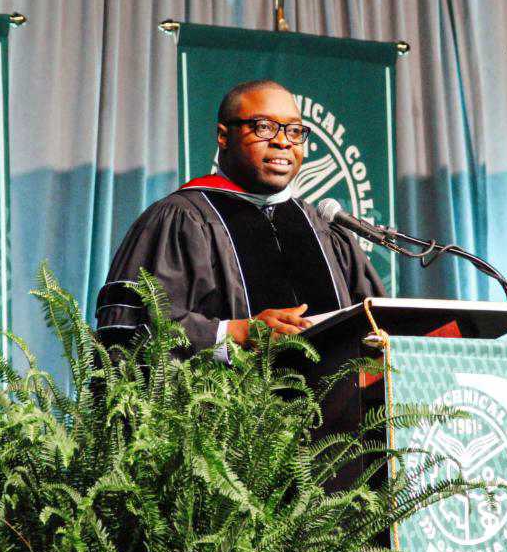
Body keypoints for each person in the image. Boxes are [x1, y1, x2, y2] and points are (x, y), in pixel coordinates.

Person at [95, 79, 386, 356]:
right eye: (264, 127)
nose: (283, 141)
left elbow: (381, 327)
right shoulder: (181, 220)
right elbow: (129, 333)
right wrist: (237, 334)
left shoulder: (323, 228)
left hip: (333, 408)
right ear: (223, 136)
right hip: (223, 407)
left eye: (294, 130)